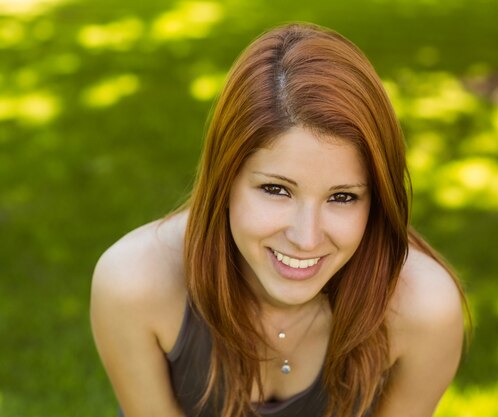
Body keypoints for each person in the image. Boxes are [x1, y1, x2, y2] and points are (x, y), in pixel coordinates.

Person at [90, 22, 468, 417]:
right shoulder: (133, 283)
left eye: (343, 197)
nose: (306, 238)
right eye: (277, 190)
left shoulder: (424, 310)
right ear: (225, 178)